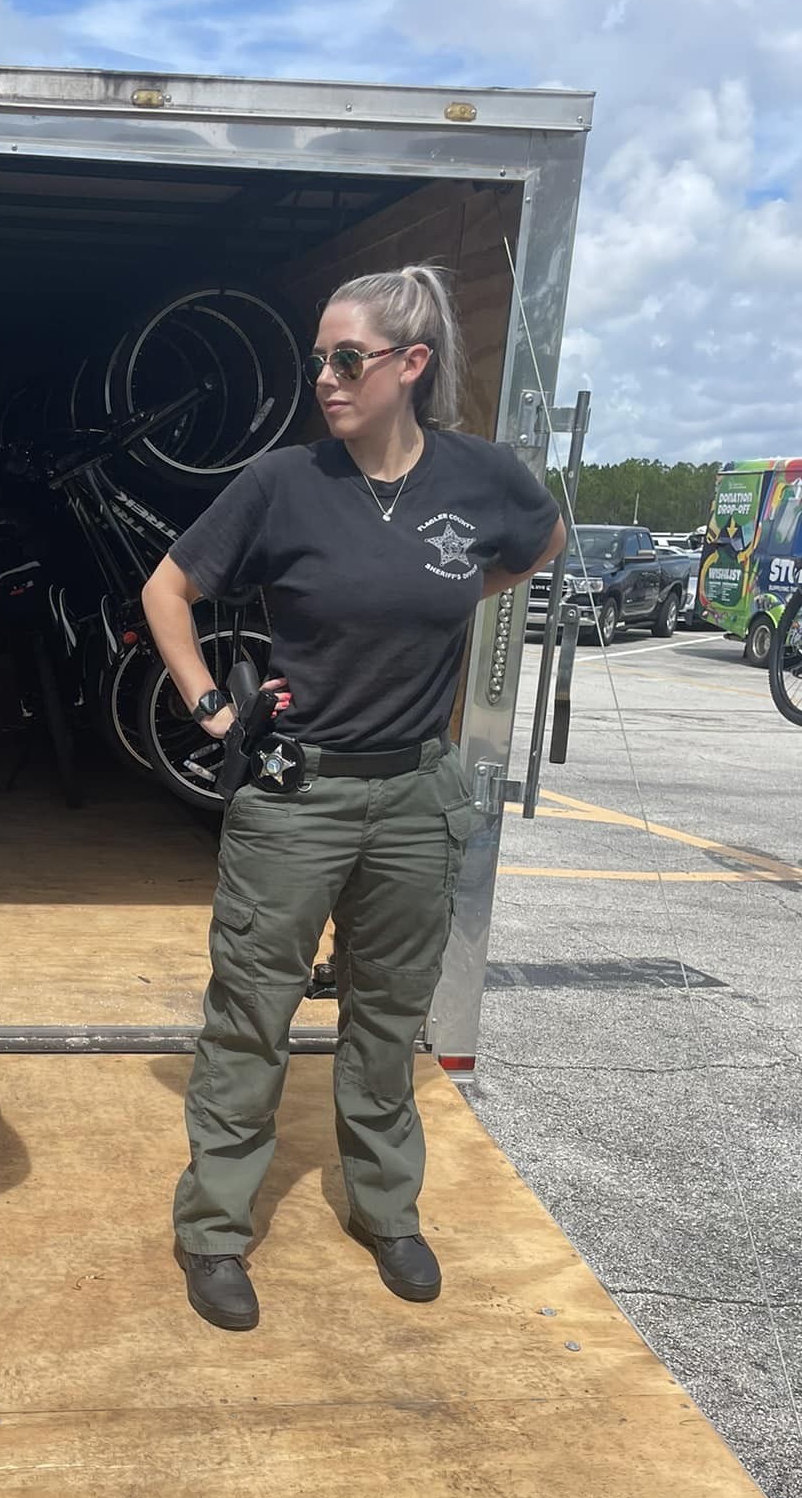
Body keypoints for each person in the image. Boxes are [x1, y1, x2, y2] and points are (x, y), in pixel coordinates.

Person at [142, 264, 565, 1330]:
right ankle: (215, 1228)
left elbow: (540, 543)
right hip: (298, 792)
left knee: (389, 1014)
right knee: (252, 1013)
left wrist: (455, 589)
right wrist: (212, 709)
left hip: (418, 793)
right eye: (317, 361)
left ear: (411, 364)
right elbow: (167, 588)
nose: (325, 379)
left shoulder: (480, 477)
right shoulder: (284, 483)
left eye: (346, 359)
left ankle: (386, 1208)